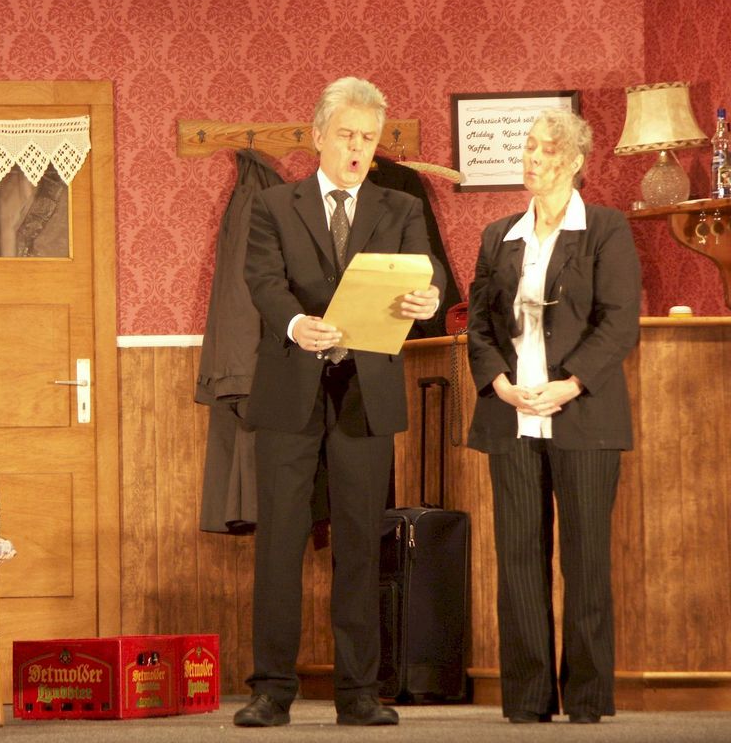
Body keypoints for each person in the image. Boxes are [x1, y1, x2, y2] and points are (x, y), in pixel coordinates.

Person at [234, 77, 444, 728]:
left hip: (365, 394)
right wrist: (297, 325)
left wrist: (429, 299)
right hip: (290, 389)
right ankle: (272, 690)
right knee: (280, 544)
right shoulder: (273, 204)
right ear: (319, 135)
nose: (357, 148)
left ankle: (359, 693)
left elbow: (426, 272)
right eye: (347, 135)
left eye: (369, 138)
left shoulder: (400, 206)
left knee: (360, 545)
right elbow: (263, 280)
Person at [466, 109, 641, 725]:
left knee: (585, 561)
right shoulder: (498, 236)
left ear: (575, 162)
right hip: (512, 417)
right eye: (529, 148)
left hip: (583, 415)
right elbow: (478, 325)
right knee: (518, 562)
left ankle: (588, 700)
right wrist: (500, 385)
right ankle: (527, 700)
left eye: (547, 150)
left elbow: (619, 322)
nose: (533, 158)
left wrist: (569, 385)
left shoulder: (606, 229)